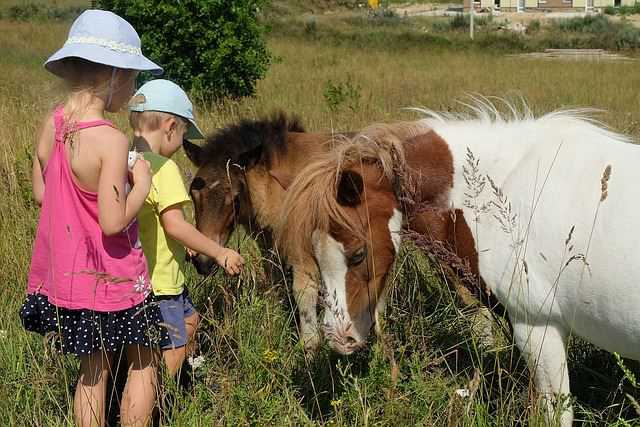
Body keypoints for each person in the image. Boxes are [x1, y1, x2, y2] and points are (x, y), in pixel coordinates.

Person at [20, 10, 166, 427]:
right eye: (134, 78)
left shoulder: (54, 124)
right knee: (144, 362)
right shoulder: (113, 141)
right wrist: (141, 182)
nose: (134, 88)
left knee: (91, 372)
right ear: (116, 76)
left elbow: (41, 193)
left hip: (70, 280)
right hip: (116, 279)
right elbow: (112, 222)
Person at [128, 79, 244, 376]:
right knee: (174, 346)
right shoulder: (164, 169)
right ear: (169, 127)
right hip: (163, 283)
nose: (182, 144)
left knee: (190, 322)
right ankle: (157, 395)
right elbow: (174, 224)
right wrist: (219, 252)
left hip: (137, 280)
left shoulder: (126, 162)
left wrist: (185, 243)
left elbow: (152, 223)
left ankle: (140, 382)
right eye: (182, 134)